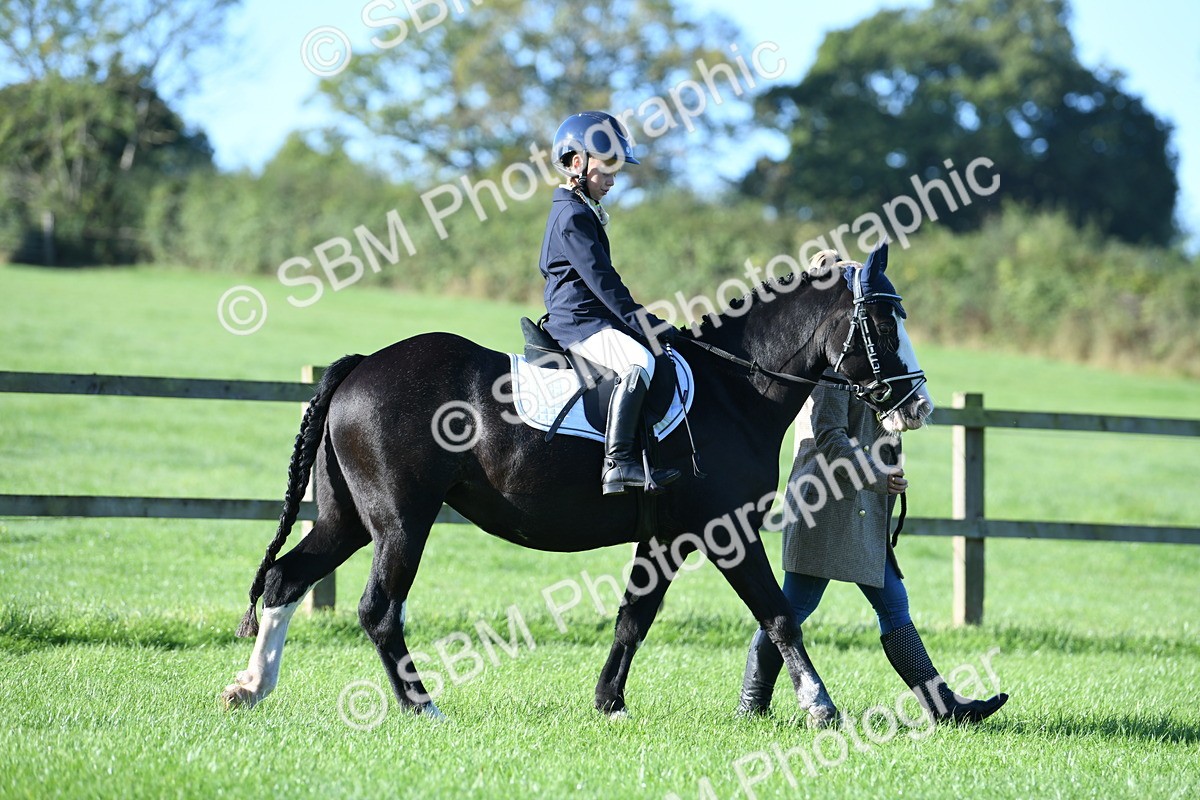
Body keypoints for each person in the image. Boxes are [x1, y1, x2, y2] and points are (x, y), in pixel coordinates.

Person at [736, 379, 1009, 724]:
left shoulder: (876, 365)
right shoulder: (832, 372)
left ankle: (944, 708)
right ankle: (752, 704)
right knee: (792, 608)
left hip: (862, 506)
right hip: (823, 506)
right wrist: (876, 475)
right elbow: (829, 436)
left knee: (892, 603)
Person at [539, 111, 680, 496]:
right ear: (579, 162)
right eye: (608, 171)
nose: (614, 181)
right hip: (578, 323)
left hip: (590, 319)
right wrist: (645, 323)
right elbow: (604, 284)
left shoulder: (582, 210)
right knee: (638, 363)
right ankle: (618, 463)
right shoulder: (572, 215)